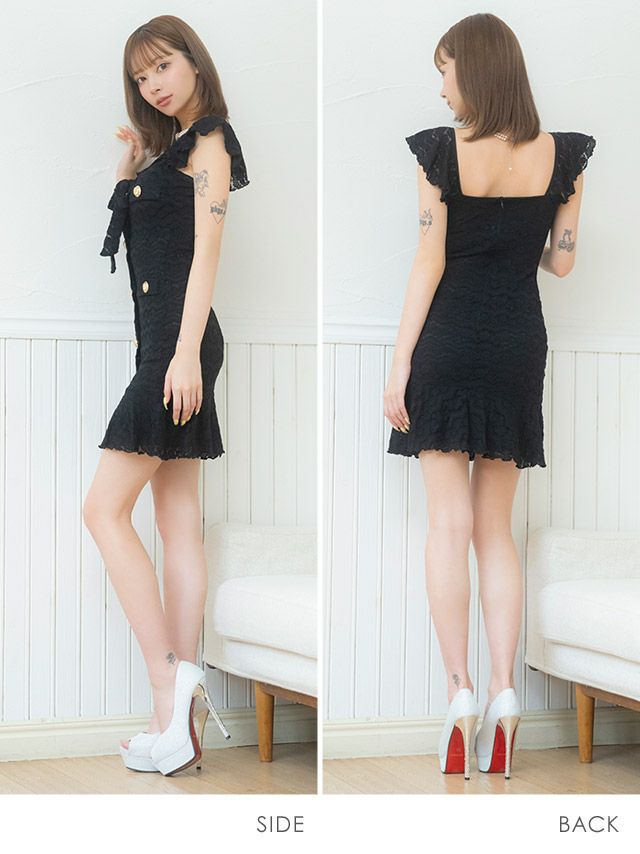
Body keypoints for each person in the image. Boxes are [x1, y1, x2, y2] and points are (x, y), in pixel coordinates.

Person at [384, 13, 595, 779]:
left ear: (473, 68)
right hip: (516, 344)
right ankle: (507, 694)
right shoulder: (565, 156)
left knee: (448, 526)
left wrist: (399, 363)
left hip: (446, 343)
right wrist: (523, 230)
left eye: (445, 70)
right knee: (494, 531)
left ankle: (461, 695)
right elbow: (562, 264)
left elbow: (429, 258)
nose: (441, 87)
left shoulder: (441, 153)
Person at [82, 14, 249, 776]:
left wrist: (183, 356)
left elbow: (207, 254)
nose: (153, 83)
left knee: (101, 510)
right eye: (141, 75)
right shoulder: (170, 150)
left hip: (179, 350)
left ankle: (167, 679)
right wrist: (129, 165)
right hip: (162, 348)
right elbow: (139, 239)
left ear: (194, 63)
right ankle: (171, 723)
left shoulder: (210, 140)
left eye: (163, 66)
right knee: (176, 521)